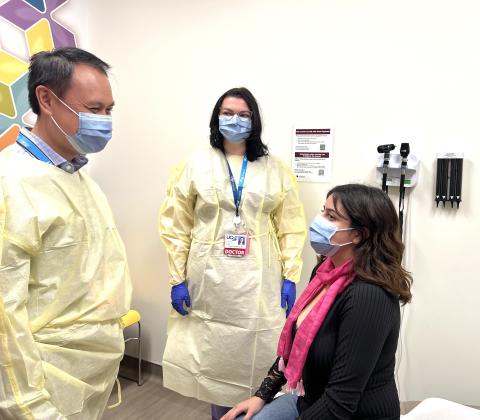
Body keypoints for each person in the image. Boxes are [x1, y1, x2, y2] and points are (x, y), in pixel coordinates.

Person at [158, 87, 306, 419]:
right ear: (216, 117)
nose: (234, 120)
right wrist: (177, 278)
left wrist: (290, 276)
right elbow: (175, 225)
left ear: (254, 121)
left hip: (259, 279)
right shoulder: (195, 164)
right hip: (208, 279)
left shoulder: (274, 169)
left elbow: (292, 226)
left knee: (255, 353)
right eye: (227, 113)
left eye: (243, 114)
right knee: (214, 354)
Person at [0, 48, 132, 419]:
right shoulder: (11, 184)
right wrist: (28, 406)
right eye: (94, 109)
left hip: (87, 374)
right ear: (46, 99)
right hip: (44, 384)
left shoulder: (76, 175)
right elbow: (4, 319)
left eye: (109, 110)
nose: (104, 122)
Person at [222, 184, 413, 420]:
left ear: (358, 234)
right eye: (323, 211)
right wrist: (261, 395)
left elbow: (340, 403)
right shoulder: (325, 272)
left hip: (353, 414)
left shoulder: (369, 296)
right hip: (312, 403)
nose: (318, 220)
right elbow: (295, 346)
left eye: (331, 216)